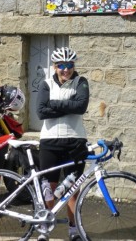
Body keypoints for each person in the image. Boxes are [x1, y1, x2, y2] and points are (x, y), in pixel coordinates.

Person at [36, 47, 89, 241]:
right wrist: (69, 106)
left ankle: (74, 231)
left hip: (75, 140)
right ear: (54, 66)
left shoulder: (81, 82)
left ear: (74, 66)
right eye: (61, 66)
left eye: (69, 65)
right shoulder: (46, 84)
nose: (66, 70)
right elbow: (41, 112)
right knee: (48, 188)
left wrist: (54, 105)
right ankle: (45, 227)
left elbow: (81, 107)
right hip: (49, 141)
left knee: (73, 188)